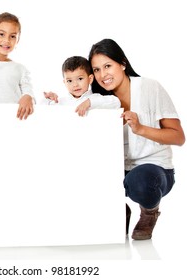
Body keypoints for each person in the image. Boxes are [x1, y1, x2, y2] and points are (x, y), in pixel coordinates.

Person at [88, 38, 185, 240]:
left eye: (108, 66)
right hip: (116, 169)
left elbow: (178, 137)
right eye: (96, 70)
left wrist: (140, 129)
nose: (103, 75)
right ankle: (119, 210)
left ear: (122, 63)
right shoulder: (98, 100)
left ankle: (150, 211)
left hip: (154, 170)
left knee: (139, 181)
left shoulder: (149, 87)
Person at [42, 56, 120, 116]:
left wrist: (89, 102)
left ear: (90, 79)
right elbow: (40, 110)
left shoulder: (94, 98)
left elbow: (116, 102)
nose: (75, 85)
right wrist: (48, 99)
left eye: (80, 79)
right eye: (69, 81)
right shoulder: (60, 101)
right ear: (64, 82)